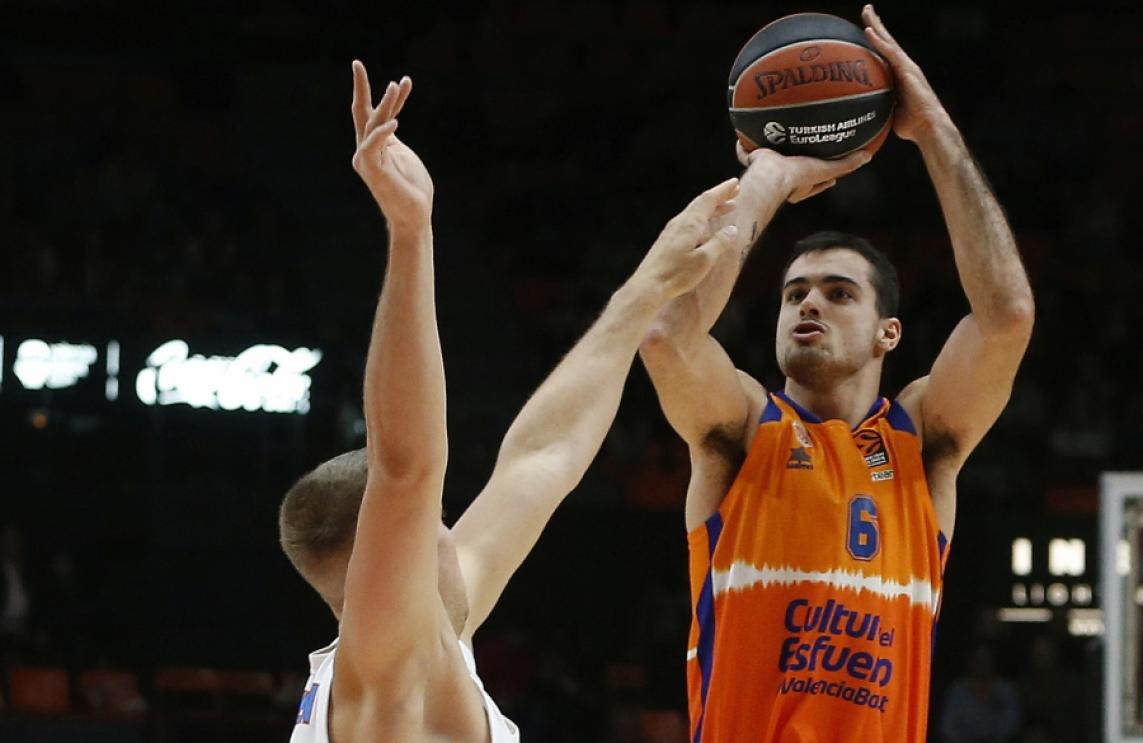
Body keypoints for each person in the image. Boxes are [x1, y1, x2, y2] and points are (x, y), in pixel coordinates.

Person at [279, 59, 847, 742]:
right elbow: (405, 467)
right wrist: (410, 233)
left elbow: (543, 455)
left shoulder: (429, 640)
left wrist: (653, 280)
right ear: (386, 558)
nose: (455, 534)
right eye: (435, 524)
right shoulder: (383, 676)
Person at [638, 5, 1035, 741]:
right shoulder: (742, 428)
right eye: (793, 293)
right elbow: (665, 335)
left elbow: (1007, 316)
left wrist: (933, 130)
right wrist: (767, 177)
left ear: (889, 333)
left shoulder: (923, 441)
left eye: (838, 293)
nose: (808, 304)